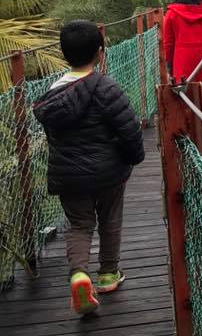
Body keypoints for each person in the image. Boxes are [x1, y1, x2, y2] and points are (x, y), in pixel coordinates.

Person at [33, 20, 145, 315]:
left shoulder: (52, 93)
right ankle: (108, 274)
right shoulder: (106, 87)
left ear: (63, 53)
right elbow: (129, 128)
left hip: (68, 175)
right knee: (110, 220)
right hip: (109, 172)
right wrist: (133, 157)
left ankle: (80, 275)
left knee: (79, 225)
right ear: (100, 52)